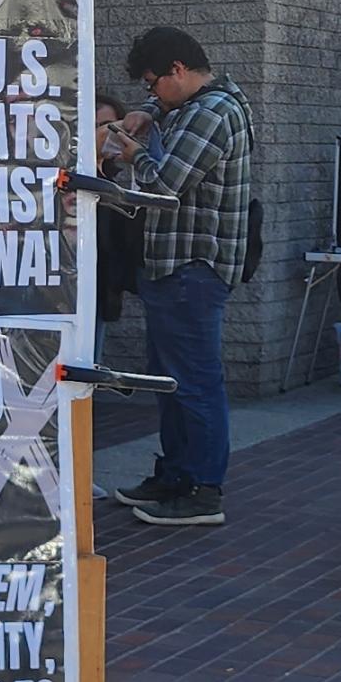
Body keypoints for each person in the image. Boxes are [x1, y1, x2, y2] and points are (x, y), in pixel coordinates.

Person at [105, 26, 257, 527]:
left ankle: (203, 489)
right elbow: (169, 119)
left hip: (192, 267)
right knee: (173, 382)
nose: (151, 94)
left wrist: (132, 154)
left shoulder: (213, 113)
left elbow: (164, 183)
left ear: (178, 70)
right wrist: (149, 113)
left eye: (154, 84)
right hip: (175, 267)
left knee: (194, 384)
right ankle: (174, 474)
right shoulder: (197, 106)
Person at [92, 92, 144, 326]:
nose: (105, 133)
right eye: (98, 126)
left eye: (110, 126)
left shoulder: (113, 180)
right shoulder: (72, 179)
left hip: (104, 295)